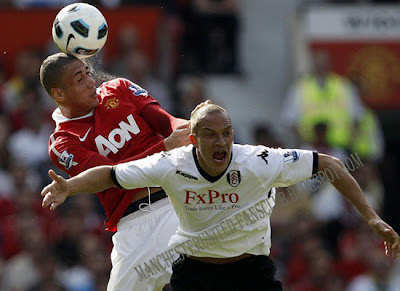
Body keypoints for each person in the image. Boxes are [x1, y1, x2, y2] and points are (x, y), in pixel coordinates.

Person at [41, 104, 400, 291]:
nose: (222, 142)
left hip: (251, 273)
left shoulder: (257, 161)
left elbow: (332, 164)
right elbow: (111, 175)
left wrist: (372, 218)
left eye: (227, 133)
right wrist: (70, 187)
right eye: (211, 135)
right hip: (195, 275)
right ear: (193, 139)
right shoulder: (171, 164)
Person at [39, 52, 199, 291]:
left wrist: (192, 126)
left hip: (178, 200)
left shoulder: (120, 88)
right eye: (79, 79)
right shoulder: (62, 142)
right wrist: (166, 147)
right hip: (135, 224)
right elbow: (110, 176)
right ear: (59, 94)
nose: (91, 81)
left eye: (88, 73)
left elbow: (166, 122)